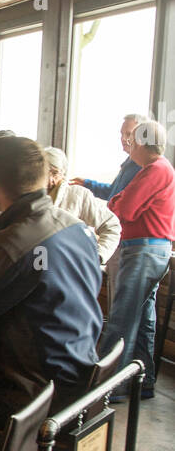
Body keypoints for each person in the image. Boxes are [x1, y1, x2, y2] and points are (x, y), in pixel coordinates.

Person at [0, 136, 103, 438]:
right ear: (44, 179)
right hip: (81, 380)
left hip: (33, 396)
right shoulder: (77, 229)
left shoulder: (11, 246)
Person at [99, 119, 175, 401]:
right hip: (152, 249)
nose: (128, 145)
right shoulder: (156, 169)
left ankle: (108, 388)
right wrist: (118, 199)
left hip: (144, 250)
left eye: (132, 141)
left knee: (122, 319)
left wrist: (117, 200)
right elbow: (120, 201)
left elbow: (124, 208)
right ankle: (144, 381)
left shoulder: (154, 170)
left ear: (143, 143)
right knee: (142, 320)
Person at [44, 147, 121, 264]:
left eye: (55, 173)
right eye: (46, 172)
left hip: (70, 267)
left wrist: (98, 255)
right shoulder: (30, 198)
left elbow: (111, 225)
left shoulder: (77, 195)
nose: (51, 179)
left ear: (63, 173)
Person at [71, 111, 146, 202]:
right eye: (121, 134)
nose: (123, 139)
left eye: (128, 134)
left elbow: (127, 204)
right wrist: (86, 184)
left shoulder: (143, 167)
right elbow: (112, 192)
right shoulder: (129, 161)